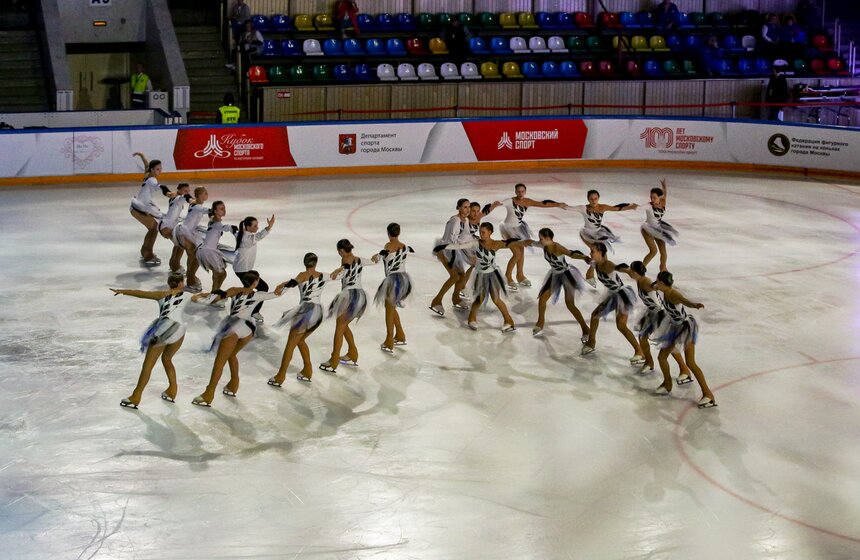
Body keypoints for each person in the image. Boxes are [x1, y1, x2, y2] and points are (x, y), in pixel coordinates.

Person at [191, 271, 284, 407]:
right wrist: (284, 284)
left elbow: (218, 297)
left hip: (233, 327)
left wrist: (201, 296)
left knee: (220, 361)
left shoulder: (234, 290)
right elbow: (277, 294)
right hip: (249, 329)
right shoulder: (258, 294)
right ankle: (234, 383)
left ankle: (208, 394)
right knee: (232, 354)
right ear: (255, 283)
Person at [112, 272, 189, 409]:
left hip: (163, 330)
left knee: (148, 365)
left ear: (169, 284)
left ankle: (136, 396)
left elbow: (140, 293)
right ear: (181, 284)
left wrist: (122, 291)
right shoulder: (188, 295)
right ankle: (172, 390)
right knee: (167, 359)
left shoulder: (161, 295)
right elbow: (205, 298)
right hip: (179, 332)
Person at [437, 222, 532, 332]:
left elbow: (511, 243)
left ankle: (508, 321)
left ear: (490, 232)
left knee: (496, 299)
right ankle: (472, 318)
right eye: (480, 232)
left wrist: (528, 242)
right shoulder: (476, 243)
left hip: (493, 276)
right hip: (481, 276)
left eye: (484, 232)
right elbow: (459, 246)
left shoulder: (496, 244)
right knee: (479, 298)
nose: (481, 234)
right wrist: (443, 246)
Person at [651, 271, 716, 408]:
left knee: (690, 362)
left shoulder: (673, 294)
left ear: (662, 283)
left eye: (658, 281)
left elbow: (685, 301)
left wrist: (695, 305)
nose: (656, 283)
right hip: (674, 326)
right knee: (662, 357)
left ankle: (708, 394)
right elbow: (654, 287)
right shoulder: (663, 288)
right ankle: (667, 384)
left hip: (685, 328)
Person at [616, 261, 691, 377]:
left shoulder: (646, 282)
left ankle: (684, 369)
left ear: (635, 272)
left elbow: (655, 287)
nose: (629, 272)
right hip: (651, 313)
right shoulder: (639, 278)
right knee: (643, 337)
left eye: (631, 271)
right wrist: (621, 269)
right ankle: (649, 362)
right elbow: (625, 270)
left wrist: (664, 287)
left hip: (661, 314)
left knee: (666, 344)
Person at [493, 183, 569, 290]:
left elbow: (543, 204)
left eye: (522, 191)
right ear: (515, 192)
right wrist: (487, 210)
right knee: (517, 253)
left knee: (521, 253)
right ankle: (508, 276)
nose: (520, 193)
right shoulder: (510, 201)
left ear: (525, 191)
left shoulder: (527, 201)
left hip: (519, 228)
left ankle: (520, 275)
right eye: (518, 191)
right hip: (507, 229)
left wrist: (558, 204)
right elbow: (498, 204)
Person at [581, 243, 644, 364]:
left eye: (593, 251)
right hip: (612, 295)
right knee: (595, 316)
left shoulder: (607, 265)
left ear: (600, 253)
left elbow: (619, 267)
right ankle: (591, 342)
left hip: (622, 296)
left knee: (621, 325)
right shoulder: (596, 263)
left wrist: (629, 271)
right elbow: (586, 263)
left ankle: (639, 351)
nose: (590, 253)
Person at [269, 253, 327, 385]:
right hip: (318, 312)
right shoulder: (324, 275)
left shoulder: (302, 275)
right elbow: (335, 275)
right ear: (316, 263)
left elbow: (292, 284)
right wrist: (340, 269)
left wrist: (280, 287)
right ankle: (308, 369)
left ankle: (280, 376)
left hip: (305, 312)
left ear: (304, 263)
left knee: (290, 345)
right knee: (300, 341)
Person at [532, 228, 590, 341]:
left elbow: (571, 254)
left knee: (570, 305)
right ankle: (540, 322)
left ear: (548, 239)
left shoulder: (557, 247)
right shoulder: (544, 245)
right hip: (554, 275)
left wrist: (585, 257)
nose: (540, 240)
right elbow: (530, 242)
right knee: (542, 299)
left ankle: (585, 328)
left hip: (567, 275)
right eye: (539, 238)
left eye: (541, 239)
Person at [320, 239, 369, 373]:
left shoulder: (345, 260)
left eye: (338, 251)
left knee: (340, 326)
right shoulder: (359, 259)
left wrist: (338, 269)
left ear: (342, 250)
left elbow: (346, 267)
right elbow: (371, 261)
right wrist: (379, 256)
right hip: (360, 295)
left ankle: (334, 360)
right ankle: (352, 352)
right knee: (342, 324)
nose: (339, 254)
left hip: (350, 296)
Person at [571, 190, 637, 285]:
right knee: (598, 255)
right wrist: (558, 205)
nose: (594, 201)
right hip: (588, 234)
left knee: (602, 255)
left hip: (599, 233)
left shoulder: (602, 207)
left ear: (598, 199)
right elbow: (567, 207)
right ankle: (600, 275)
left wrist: (630, 206)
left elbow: (616, 208)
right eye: (591, 199)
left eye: (596, 199)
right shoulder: (584, 208)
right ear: (588, 199)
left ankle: (600, 275)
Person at [372, 223, 414, 354]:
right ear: (399, 233)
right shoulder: (405, 246)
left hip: (393, 281)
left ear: (388, 233)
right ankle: (400, 334)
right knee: (392, 308)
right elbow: (409, 250)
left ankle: (389, 340)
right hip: (404, 280)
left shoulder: (388, 246)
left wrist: (377, 256)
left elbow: (383, 254)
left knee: (389, 310)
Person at [430, 198, 472, 316]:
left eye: (469, 207)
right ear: (458, 208)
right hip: (445, 250)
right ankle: (436, 301)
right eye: (465, 207)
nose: (468, 209)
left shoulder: (466, 220)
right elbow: (450, 240)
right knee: (454, 276)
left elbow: (465, 237)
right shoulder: (455, 220)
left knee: (462, 275)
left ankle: (456, 298)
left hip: (454, 250)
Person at [130, 152, 170, 266]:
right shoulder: (153, 180)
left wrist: (142, 155)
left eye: (160, 169)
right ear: (153, 170)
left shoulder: (148, 174)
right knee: (154, 228)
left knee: (153, 228)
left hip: (138, 206)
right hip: (139, 209)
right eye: (157, 169)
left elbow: (146, 165)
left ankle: (145, 251)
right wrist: (167, 192)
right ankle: (148, 255)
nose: (159, 171)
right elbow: (156, 186)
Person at [233, 214, 275, 322]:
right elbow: (260, 236)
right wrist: (269, 227)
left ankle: (247, 309)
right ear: (247, 227)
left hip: (243, 268)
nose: (257, 228)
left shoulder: (243, 234)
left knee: (253, 289)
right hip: (243, 270)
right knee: (263, 288)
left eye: (257, 226)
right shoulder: (248, 238)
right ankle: (252, 311)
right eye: (255, 226)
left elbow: (235, 232)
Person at [196, 201, 236, 297]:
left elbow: (211, 217)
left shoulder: (212, 219)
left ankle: (214, 292)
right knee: (221, 273)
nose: (224, 210)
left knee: (219, 273)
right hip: (209, 251)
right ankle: (214, 293)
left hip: (205, 249)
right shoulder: (218, 224)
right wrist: (232, 228)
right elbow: (224, 227)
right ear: (215, 211)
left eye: (224, 208)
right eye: (221, 209)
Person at [640, 179, 678, 272]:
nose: (652, 200)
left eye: (654, 197)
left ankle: (663, 269)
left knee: (663, 252)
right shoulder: (649, 206)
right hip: (647, 229)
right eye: (651, 197)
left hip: (658, 228)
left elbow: (664, 195)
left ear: (660, 198)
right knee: (653, 251)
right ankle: (640, 269)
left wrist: (664, 187)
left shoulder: (663, 202)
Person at [158, 182, 193, 274]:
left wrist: (162, 186)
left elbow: (167, 192)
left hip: (167, 224)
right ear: (179, 189)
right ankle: (175, 267)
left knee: (178, 244)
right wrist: (195, 201)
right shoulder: (179, 198)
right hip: (167, 227)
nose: (186, 192)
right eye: (185, 191)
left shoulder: (173, 195)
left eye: (188, 191)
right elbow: (187, 198)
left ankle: (173, 264)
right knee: (181, 243)